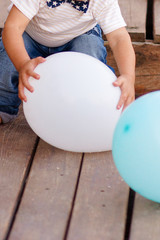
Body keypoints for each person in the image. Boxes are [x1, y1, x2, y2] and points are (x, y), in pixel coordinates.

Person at [0, 0, 135, 124]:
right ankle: (3, 105)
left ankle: (94, 106)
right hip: (31, 36)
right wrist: (23, 62)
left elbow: (119, 38)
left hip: (79, 35)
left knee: (90, 54)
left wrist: (128, 75)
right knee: (8, 60)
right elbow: (13, 28)